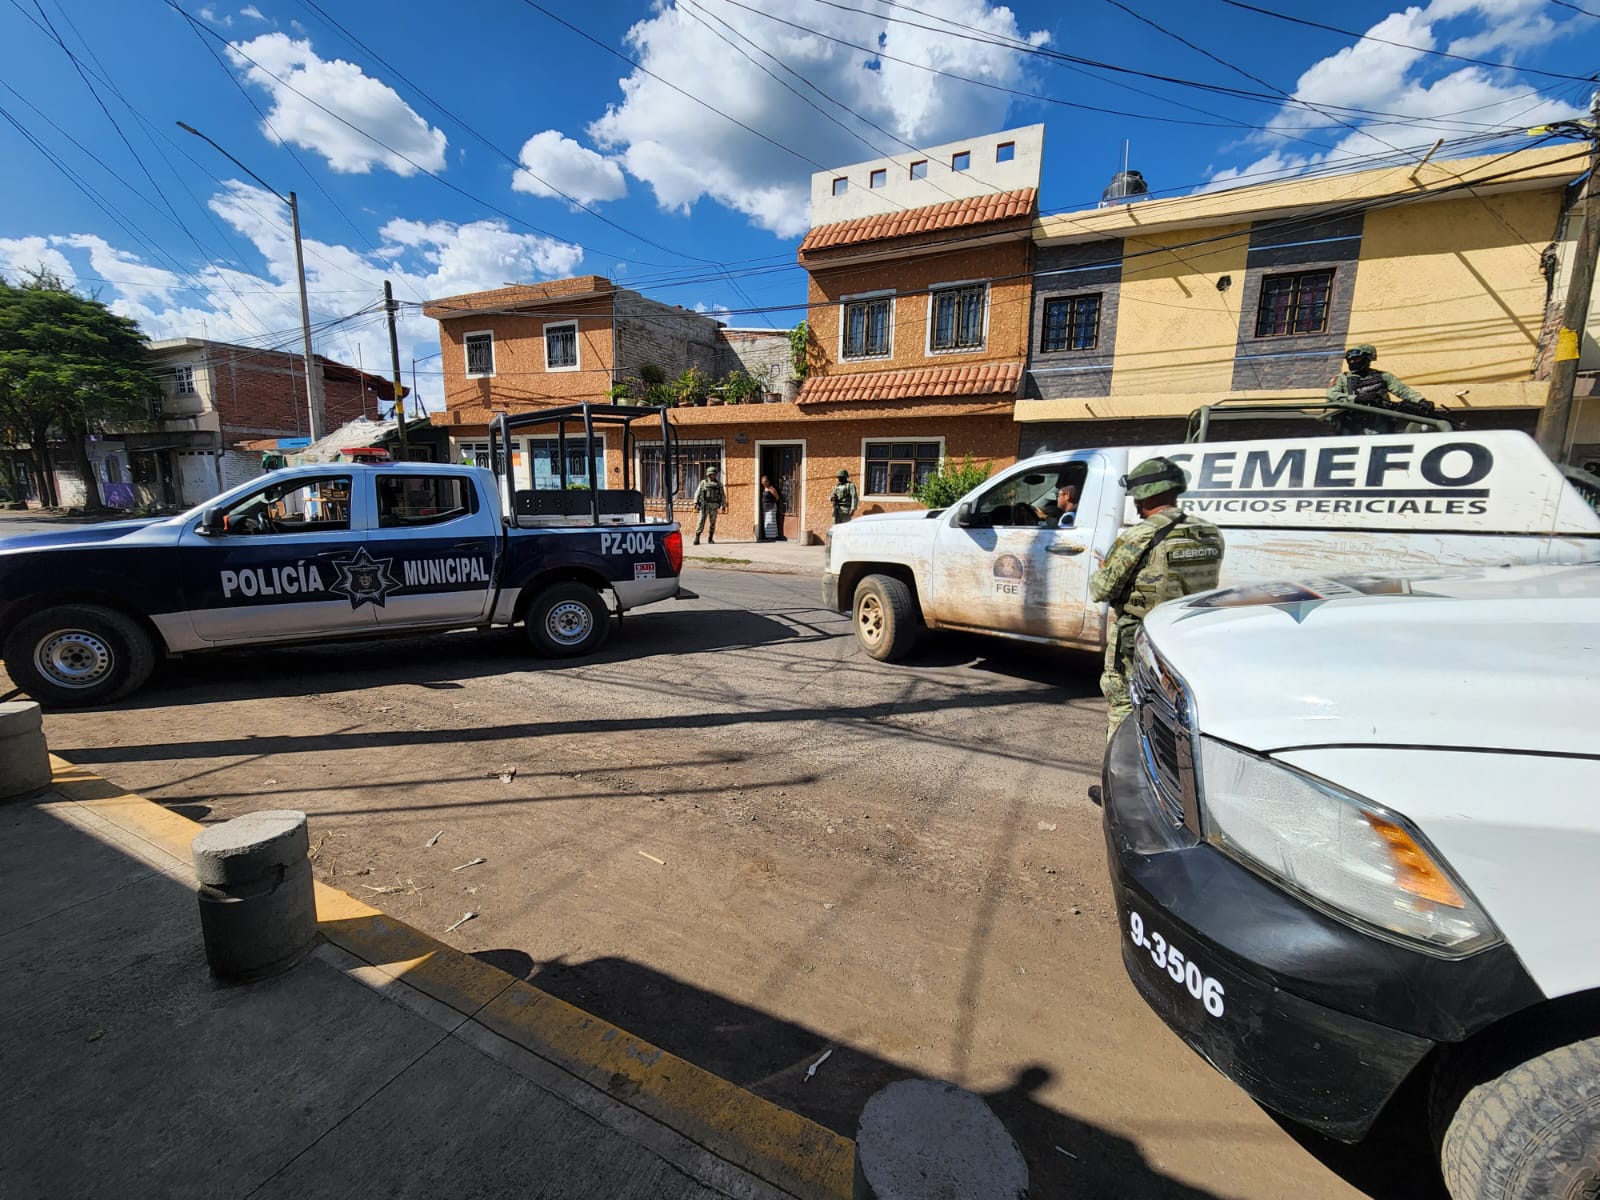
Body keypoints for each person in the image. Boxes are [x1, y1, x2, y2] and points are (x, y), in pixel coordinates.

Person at [1088, 457, 1224, 741]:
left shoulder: (1140, 535)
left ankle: (1121, 776)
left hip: (1140, 638)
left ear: (1145, 494)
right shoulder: (1209, 532)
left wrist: (1103, 570)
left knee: (1125, 705)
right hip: (1186, 638)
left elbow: (1101, 590)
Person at [1325, 344, 1428, 435]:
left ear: (1368, 359)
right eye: (1350, 360)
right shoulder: (1341, 378)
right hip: (1351, 425)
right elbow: (1332, 395)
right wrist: (1357, 398)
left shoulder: (1384, 376)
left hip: (1379, 426)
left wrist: (1420, 401)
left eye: (1356, 359)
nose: (1352, 362)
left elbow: (1403, 391)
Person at [691, 466, 724, 545]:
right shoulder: (703, 483)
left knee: (713, 522)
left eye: (715, 474)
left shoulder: (718, 484)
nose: (714, 476)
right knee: (701, 521)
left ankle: (710, 538)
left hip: (714, 505)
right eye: (712, 474)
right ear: (709, 474)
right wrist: (695, 502)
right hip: (704, 505)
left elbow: (722, 495)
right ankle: (697, 538)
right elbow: (697, 492)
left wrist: (723, 505)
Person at [761, 475, 786, 541]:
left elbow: (777, 497)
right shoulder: (763, 488)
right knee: (766, 522)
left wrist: (771, 502)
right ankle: (768, 536)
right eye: (763, 481)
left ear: (768, 481)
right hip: (765, 508)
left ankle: (772, 537)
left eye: (766, 481)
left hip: (771, 507)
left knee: (771, 521)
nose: (764, 483)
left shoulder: (771, 489)